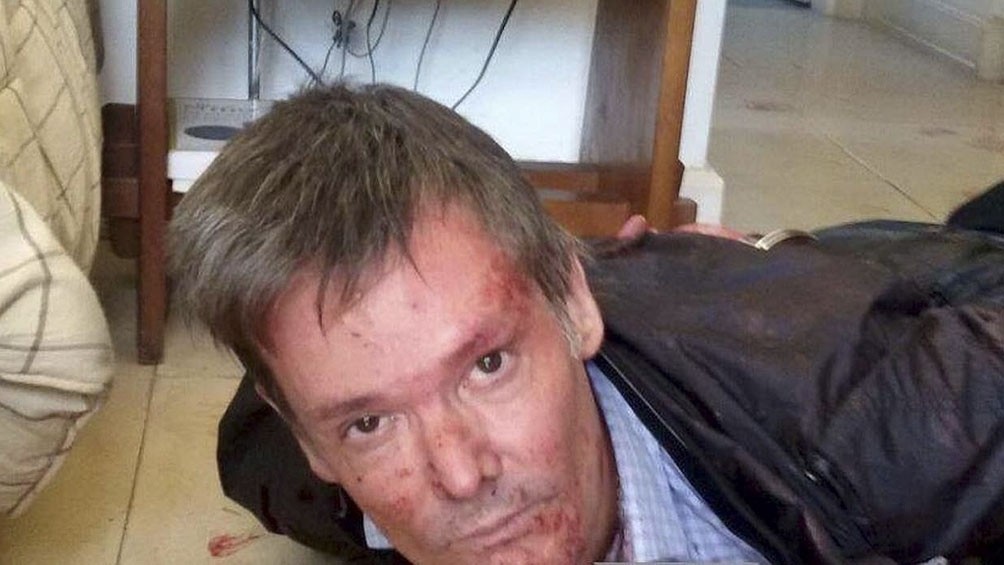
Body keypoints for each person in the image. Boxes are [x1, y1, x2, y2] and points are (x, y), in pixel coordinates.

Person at [168, 83, 1004, 564]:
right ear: (310, 437)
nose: (459, 474)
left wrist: (775, 255)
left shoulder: (885, 419)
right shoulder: (295, 466)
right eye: (370, 422)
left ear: (573, 305)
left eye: (487, 364)